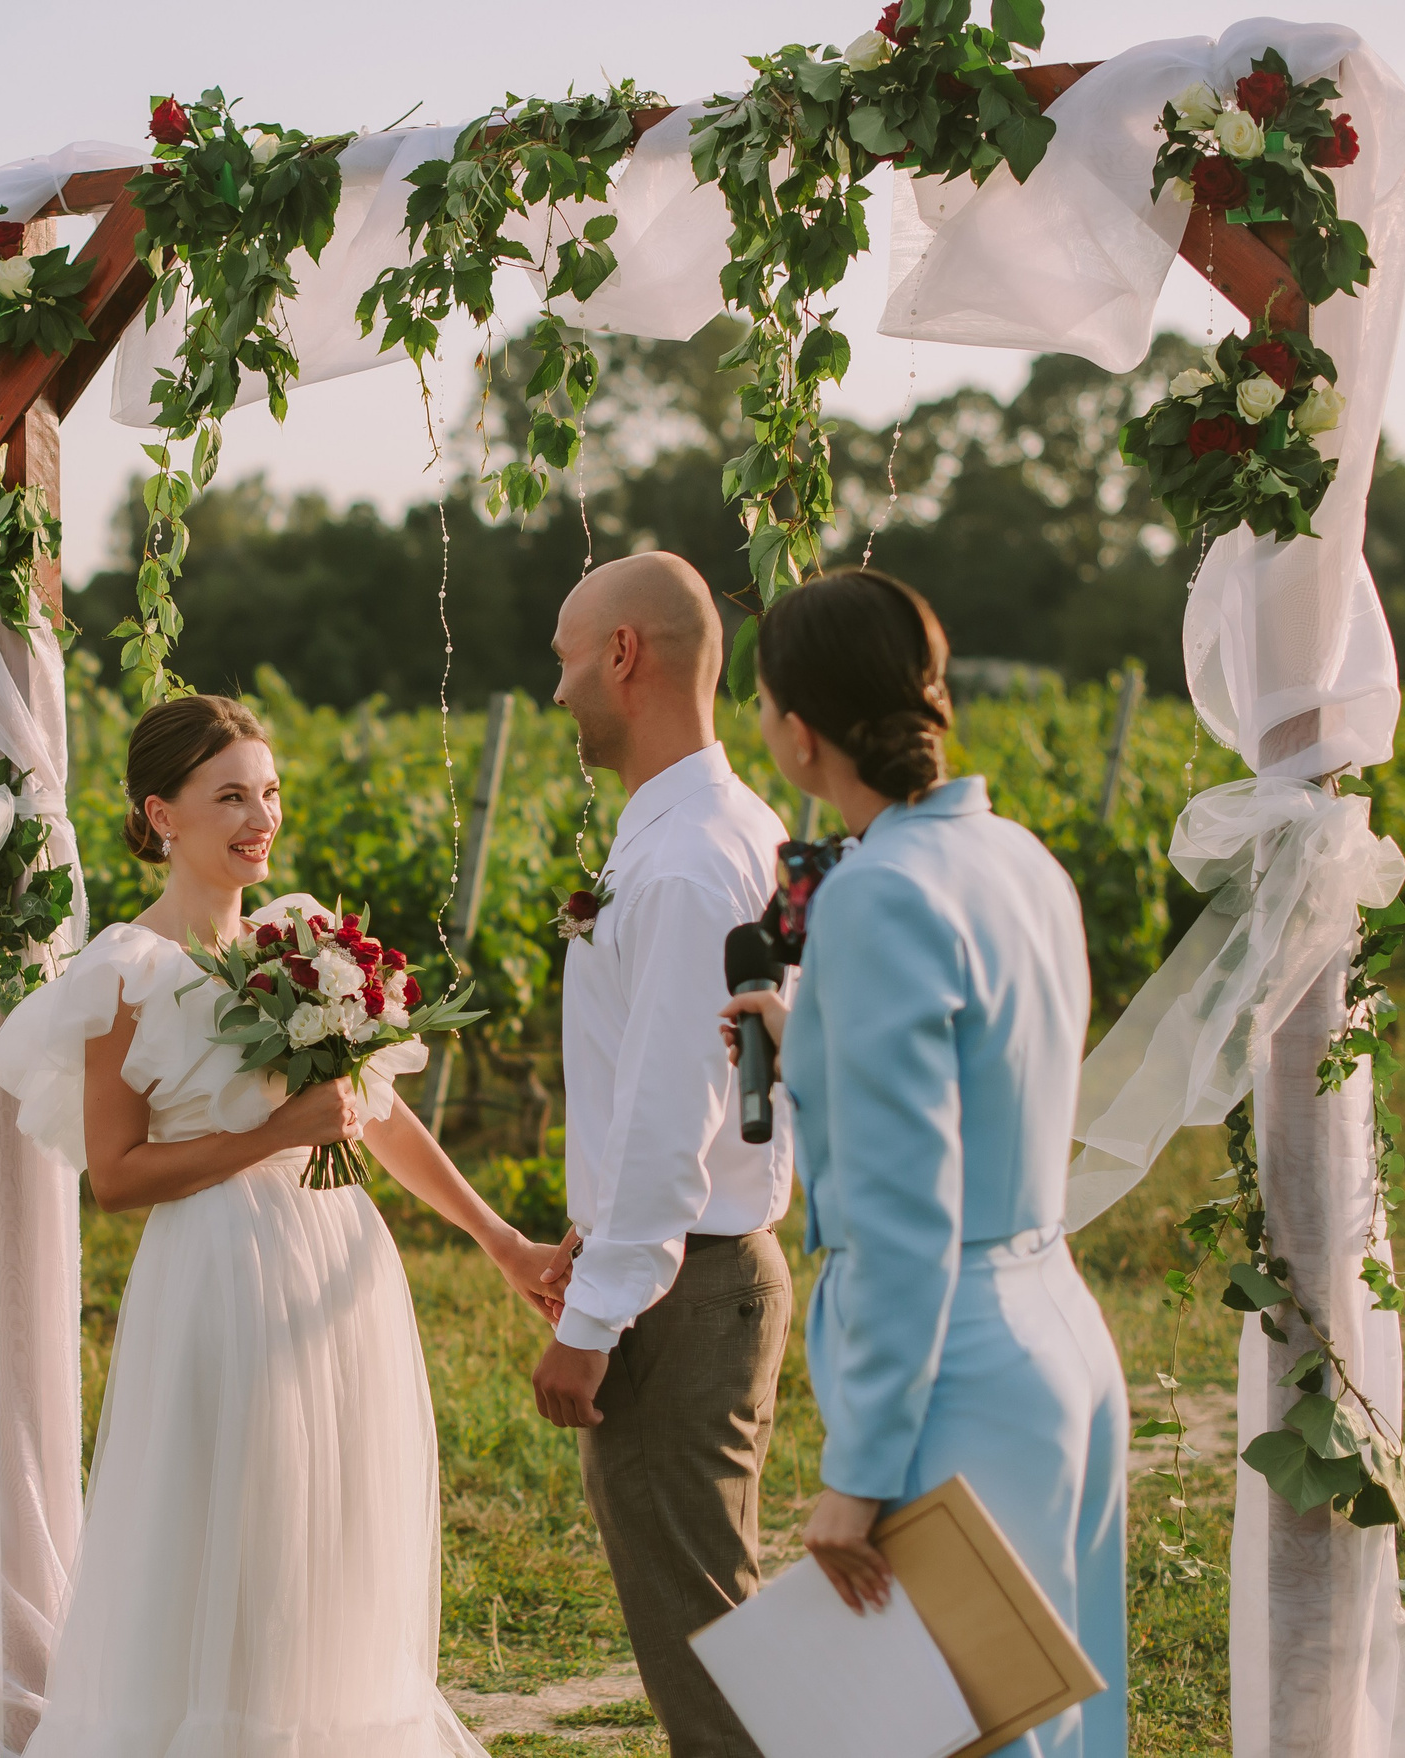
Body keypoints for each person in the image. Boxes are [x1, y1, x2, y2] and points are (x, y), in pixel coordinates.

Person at [0, 692, 559, 1755]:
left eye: (269, 792)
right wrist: (277, 1130)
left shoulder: (302, 943)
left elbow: (378, 1124)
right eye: (231, 796)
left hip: (338, 1261)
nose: (261, 817)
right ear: (161, 815)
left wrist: (501, 1239)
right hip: (217, 1275)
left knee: (332, 1532)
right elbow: (114, 1176)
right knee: (234, 1533)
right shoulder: (126, 974)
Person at [718, 567, 1127, 1758]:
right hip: (1059, 1332)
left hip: (956, 1367)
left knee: (950, 1735)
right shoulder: (1015, 858)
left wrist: (862, 1470)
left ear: (796, 734)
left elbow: (907, 1215)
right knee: (1051, 1730)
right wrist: (816, 1048)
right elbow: (990, 1075)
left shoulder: (875, 893)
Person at [529, 551, 797, 1757]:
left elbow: (670, 1104)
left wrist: (589, 1324)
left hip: (677, 1292)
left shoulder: (688, 861)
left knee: (709, 1655)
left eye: (564, 661)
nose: (556, 691)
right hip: (688, 1267)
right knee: (720, 1626)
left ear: (623, 656)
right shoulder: (725, 825)